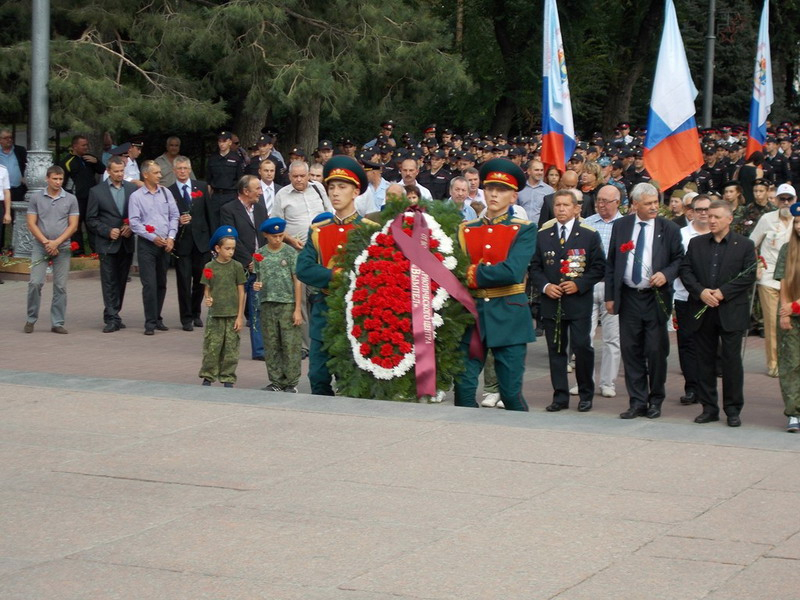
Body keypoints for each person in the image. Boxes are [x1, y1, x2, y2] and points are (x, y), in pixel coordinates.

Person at [453, 158, 537, 411]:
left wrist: (471, 273)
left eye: (501, 190)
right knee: (464, 392)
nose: (494, 194)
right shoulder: (466, 228)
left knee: (510, 393)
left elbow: (513, 271)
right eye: (490, 188)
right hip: (472, 316)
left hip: (509, 314)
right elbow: (454, 267)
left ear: (513, 197)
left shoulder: (524, 229)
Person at [297, 155, 374, 395]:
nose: (335, 193)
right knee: (317, 376)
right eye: (331, 187)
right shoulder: (319, 231)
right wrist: (336, 276)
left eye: (342, 187)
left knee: (351, 379)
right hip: (323, 310)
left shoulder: (369, 231)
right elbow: (303, 268)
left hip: (355, 314)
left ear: (355, 192)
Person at [605, 182, 684, 419]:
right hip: (629, 297)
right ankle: (637, 401)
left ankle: (656, 399)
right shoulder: (621, 226)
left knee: (655, 350)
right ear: (635, 204)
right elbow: (611, 263)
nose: (654, 207)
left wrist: (666, 274)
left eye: (655, 203)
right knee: (631, 350)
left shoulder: (668, 228)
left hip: (655, 298)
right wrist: (611, 296)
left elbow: (679, 259)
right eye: (648, 203)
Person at [679, 200, 757, 427]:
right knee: (704, 361)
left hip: (730, 310)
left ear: (729, 219)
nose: (711, 220)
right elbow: (686, 270)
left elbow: (748, 275)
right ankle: (708, 407)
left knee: (732, 362)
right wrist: (701, 292)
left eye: (716, 217)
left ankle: (733, 409)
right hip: (703, 309)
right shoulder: (697, 243)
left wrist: (722, 292)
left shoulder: (744, 244)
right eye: (709, 216)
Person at [530, 189, 605, 412]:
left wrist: (579, 284)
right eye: (557, 205)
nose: (561, 209)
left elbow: (599, 267)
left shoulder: (589, 234)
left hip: (578, 301)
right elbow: (535, 267)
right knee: (556, 349)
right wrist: (545, 286)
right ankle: (560, 396)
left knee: (582, 348)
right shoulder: (543, 234)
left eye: (565, 205)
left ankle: (585, 394)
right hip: (552, 302)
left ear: (576, 209)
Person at [24, 165, 79, 334]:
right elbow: (31, 223)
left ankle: (57, 322)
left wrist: (57, 242)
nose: (58, 182)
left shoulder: (70, 199)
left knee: (60, 286)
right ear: (47, 179)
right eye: (54, 179)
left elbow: (74, 225)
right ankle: (31, 318)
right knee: (35, 282)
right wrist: (46, 241)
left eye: (60, 179)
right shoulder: (36, 198)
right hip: (41, 246)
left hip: (62, 247)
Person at [86, 156, 138, 332]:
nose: (119, 174)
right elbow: (91, 219)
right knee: (109, 280)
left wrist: (130, 225)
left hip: (126, 241)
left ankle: (114, 313)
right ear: (108, 171)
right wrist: (107, 230)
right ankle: (112, 316)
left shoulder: (131, 189)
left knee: (122, 280)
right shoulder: (96, 191)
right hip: (107, 243)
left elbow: (138, 213)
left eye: (122, 171)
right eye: (116, 171)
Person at [128, 160, 180, 335]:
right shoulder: (137, 197)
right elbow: (135, 223)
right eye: (156, 173)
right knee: (149, 283)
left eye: (159, 172)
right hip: (147, 244)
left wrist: (171, 237)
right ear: (146, 175)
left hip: (165, 244)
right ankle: (149, 321)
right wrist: (152, 237)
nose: (160, 175)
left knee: (161, 283)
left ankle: (157, 317)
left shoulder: (165, 193)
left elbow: (174, 215)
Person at [220, 175, 269, 360]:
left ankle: (259, 351)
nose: (260, 192)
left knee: (256, 309)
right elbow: (230, 239)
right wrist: (248, 259)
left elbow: (264, 236)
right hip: (238, 266)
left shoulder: (261, 209)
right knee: (231, 308)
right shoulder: (228, 209)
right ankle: (227, 347)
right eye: (257, 188)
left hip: (258, 267)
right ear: (245, 191)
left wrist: (260, 260)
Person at [253, 217, 304, 393]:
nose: (277, 239)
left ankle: (291, 382)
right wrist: (257, 286)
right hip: (267, 303)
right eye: (274, 236)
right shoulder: (260, 254)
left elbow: (297, 281)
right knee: (271, 343)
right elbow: (257, 278)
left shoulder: (290, 253)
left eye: (281, 235)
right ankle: (275, 381)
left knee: (290, 344)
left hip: (287, 303)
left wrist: (297, 309)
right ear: (266, 235)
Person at [582, 184, 624, 398]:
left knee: (612, 338)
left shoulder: (626, 225)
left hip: (612, 287)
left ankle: (608, 382)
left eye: (606, 201)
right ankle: (584, 382)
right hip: (588, 285)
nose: (600, 204)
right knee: (584, 337)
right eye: (598, 200)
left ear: (617, 202)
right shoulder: (587, 223)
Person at [750, 183, 795, 377]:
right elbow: (751, 244)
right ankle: (774, 363)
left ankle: (792, 361)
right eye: (781, 199)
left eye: (789, 199)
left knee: (792, 322)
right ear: (775, 200)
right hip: (769, 278)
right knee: (772, 322)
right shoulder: (767, 219)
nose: (785, 203)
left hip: (794, 280)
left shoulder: (798, 218)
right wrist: (757, 265)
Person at [672, 194, 712, 406]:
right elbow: (678, 264)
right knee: (687, 343)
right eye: (699, 210)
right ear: (691, 212)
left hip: (710, 299)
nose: (703, 214)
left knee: (707, 345)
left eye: (707, 210)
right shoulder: (681, 235)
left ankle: (707, 387)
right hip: (684, 297)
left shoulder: (717, 234)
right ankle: (691, 387)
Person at [199, 226, 246, 388]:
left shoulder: (236, 267)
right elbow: (207, 286)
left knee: (231, 349)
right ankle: (208, 375)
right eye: (227, 248)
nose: (230, 252)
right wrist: (208, 298)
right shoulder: (209, 266)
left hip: (232, 314)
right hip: (216, 314)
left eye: (233, 248)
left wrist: (240, 315)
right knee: (212, 346)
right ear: (217, 248)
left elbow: (241, 290)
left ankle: (228, 377)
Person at [168, 156, 211, 331]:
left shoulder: (200, 187)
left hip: (201, 241)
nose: (183, 171)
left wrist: (212, 240)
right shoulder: (169, 191)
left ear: (190, 168)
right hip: (182, 242)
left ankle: (195, 313)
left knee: (200, 280)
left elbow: (209, 214)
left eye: (185, 168)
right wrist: (178, 221)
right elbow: (167, 216)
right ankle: (185, 317)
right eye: (179, 168)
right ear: (174, 170)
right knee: (184, 281)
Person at [775, 210, 800, 432]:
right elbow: (783, 281)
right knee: (791, 363)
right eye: (798, 222)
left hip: (796, 307)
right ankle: (793, 412)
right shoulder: (787, 249)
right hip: (791, 313)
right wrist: (785, 312)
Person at [272, 161, 332, 250]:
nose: (299, 179)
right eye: (295, 176)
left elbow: (329, 212)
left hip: (322, 245)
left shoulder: (318, 188)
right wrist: (291, 240)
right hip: (296, 249)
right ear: (289, 176)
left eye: (302, 176)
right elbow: (276, 226)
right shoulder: (281, 195)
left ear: (308, 175)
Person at [60, 135, 106, 254]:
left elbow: (102, 170)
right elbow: (62, 181)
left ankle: (96, 251)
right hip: (76, 198)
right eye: (83, 145)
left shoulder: (90, 159)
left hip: (91, 198)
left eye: (87, 145)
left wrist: (96, 162)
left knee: (92, 224)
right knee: (76, 225)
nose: (86, 147)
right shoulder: (67, 161)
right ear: (75, 146)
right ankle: (78, 251)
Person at [206, 131, 244, 232]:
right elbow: (209, 181)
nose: (221, 144)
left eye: (224, 141)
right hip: (216, 195)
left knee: (229, 223)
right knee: (214, 223)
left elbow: (240, 180)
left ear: (230, 142)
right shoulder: (213, 159)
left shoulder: (236, 158)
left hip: (230, 195)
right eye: (219, 141)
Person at [0, 128, 26, 252]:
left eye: (10, 137)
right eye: (6, 138)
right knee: (2, 220)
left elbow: (26, 166)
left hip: (17, 190)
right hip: (1, 192)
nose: (9, 140)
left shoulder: (20, 151)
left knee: (18, 219)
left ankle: (17, 247)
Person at [516, 159, 554, 224]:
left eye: (541, 170)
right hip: (522, 228)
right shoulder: (520, 188)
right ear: (529, 171)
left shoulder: (549, 190)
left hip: (541, 229)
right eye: (536, 170)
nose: (540, 173)